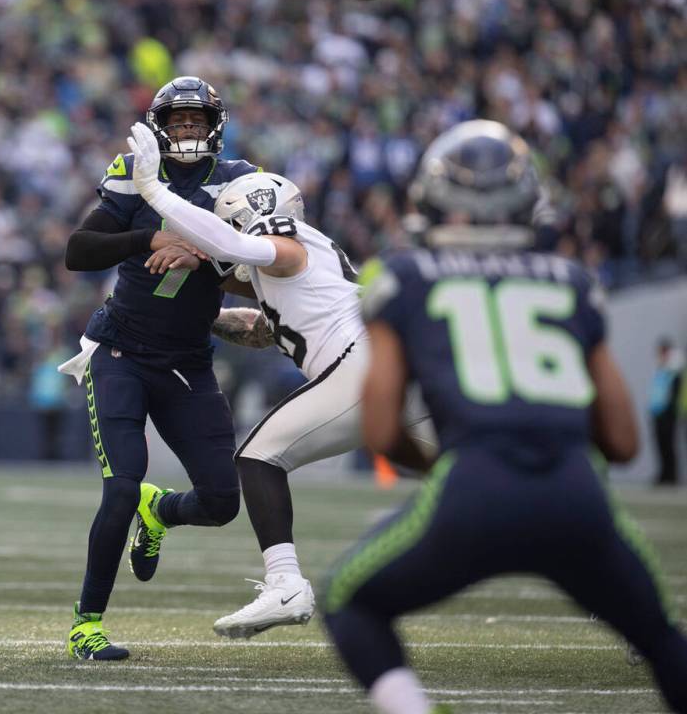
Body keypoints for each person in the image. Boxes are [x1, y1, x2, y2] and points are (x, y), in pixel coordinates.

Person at [321, 119, 687, 714]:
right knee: (660, 639)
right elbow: (622, 442)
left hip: (473, 490)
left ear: (434, 202)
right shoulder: (573, 281)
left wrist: (448, 465)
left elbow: (382, 430)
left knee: (347, 599)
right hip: (578, 498)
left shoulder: (403, 278)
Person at [126, 121, 435, 639]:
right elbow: (263, 330)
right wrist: (198, 315)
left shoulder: (285, 244)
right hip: (400, 365)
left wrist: (155, 192)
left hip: (364, 364)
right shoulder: (302, 268)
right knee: (471, 483)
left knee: (258, 456)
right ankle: (612, 592)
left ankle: (285, 583)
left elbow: (245, 248)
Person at [60, 76, 259, 660]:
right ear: (160, 126)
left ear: (215, 127)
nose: (187, 130)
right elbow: (79, 251)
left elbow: (258, 263)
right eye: (178, 122)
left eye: (197, 121)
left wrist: (201, 249)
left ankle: (161, 510)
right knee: (121, 484)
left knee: (222, 501)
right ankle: (86, 624)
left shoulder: (239, 181)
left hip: (188, 361)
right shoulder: (138, 170)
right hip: (120, 351)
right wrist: (150, 235)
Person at [648, 338, 681, 484]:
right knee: (661, 445)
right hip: (658, 411)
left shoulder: (674, 370)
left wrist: (669, 411)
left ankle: (671, 476)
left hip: (667, 413)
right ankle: (664, 474)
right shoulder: (661, 368)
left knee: (668, 445)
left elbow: (673, 394)